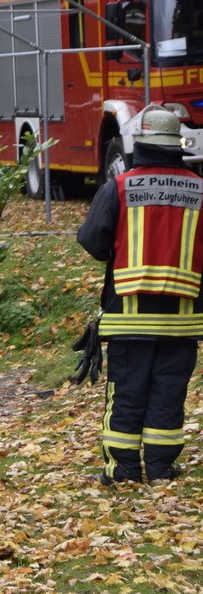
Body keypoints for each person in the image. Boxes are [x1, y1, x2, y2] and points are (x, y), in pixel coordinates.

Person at [77, 107, 202, 486]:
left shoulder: (118, 187)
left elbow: (91, 240)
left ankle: (124, 470)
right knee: (168, 394)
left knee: (127, 394)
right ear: (177, 146)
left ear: (140, 145)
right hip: (182, 321)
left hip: (128, 318)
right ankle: (162, 468)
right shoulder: (199, 188)